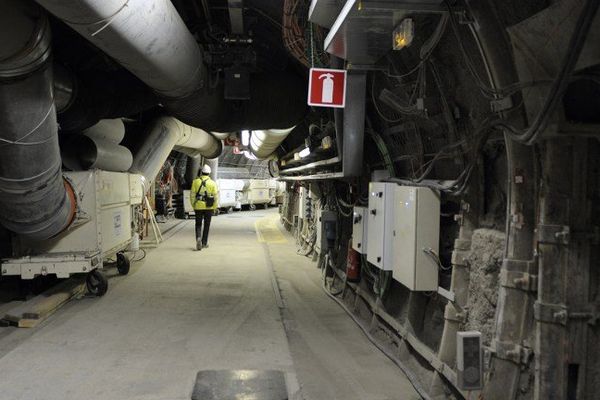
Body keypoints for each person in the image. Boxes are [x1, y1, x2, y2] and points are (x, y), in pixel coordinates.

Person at [190, 165, 218, 250]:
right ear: (209, 173)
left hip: (198, 206)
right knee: (207, 225)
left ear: (201, 172)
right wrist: (214, 207)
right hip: (209, 207)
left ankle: (198, 237)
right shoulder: (213, 183)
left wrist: (193, 205)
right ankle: (204, 243)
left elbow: (192, 195)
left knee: (198, 224)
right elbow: (215, 197)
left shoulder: (195, 182)